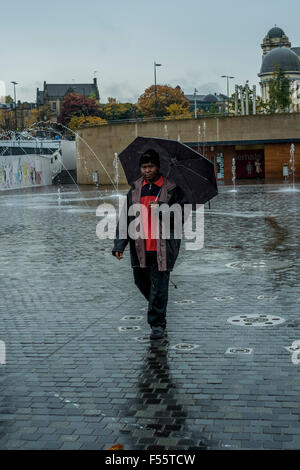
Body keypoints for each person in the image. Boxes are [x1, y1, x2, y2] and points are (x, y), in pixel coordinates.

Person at [112, 149, 186, 340]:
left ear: (158, 167)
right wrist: (119, 245)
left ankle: (157, 324)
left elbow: (180, 218)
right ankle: (157, 306)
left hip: (163, 247)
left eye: (150, 166)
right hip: (140, 247)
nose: (147, 170)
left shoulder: (171, 188)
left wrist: (162, 209)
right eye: (144, 167)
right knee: (141, 281)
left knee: (159, 287)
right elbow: (125, 218)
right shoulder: (135, 188)